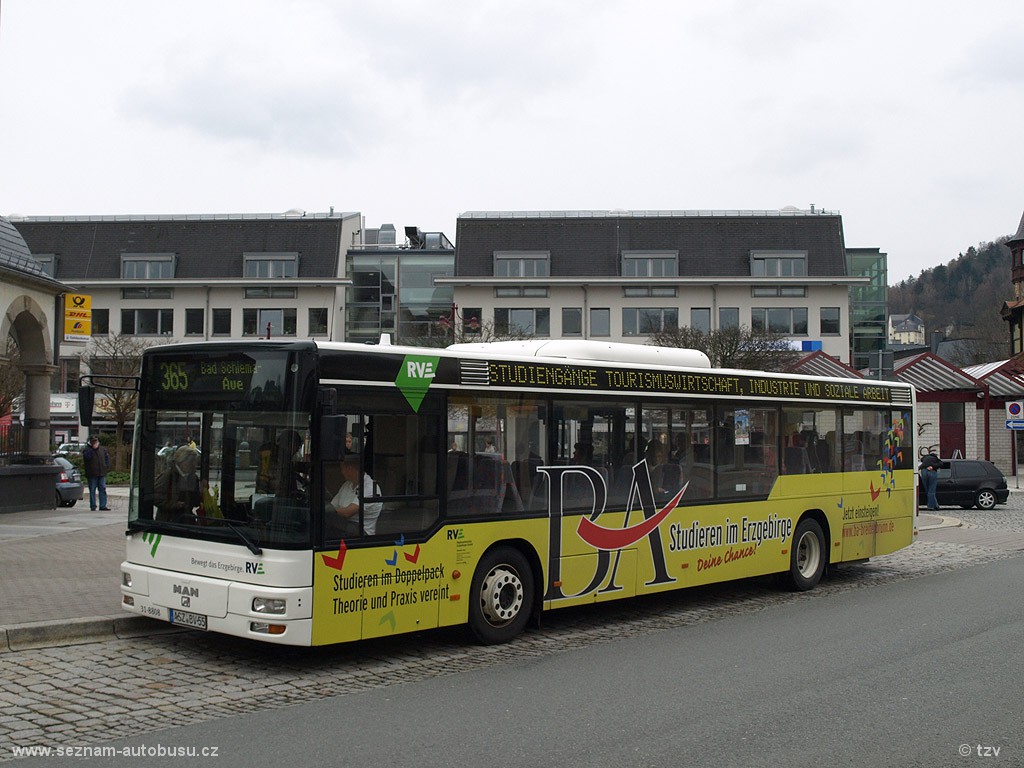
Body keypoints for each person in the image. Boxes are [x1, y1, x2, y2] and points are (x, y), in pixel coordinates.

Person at [328, 456, 382, 535]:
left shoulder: (370, 487)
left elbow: (348, 512)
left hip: (361, 530)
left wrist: (326, 511)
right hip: (344, 524)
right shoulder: (347, 485)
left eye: (342, 468)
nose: (341, 472)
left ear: (350, 468)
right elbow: (333, 505)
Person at [82, 436, 111, 511]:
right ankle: (93, 505)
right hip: (92, 474)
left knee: (102, 489)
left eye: (96, 442)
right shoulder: (87, 450)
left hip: (102, 473)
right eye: (93, 442)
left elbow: (107, 458)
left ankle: (103, 505)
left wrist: (106, 467)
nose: (95, 443)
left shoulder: (102, 449)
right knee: (92, 490)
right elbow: (87, 458)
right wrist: (93, 450)